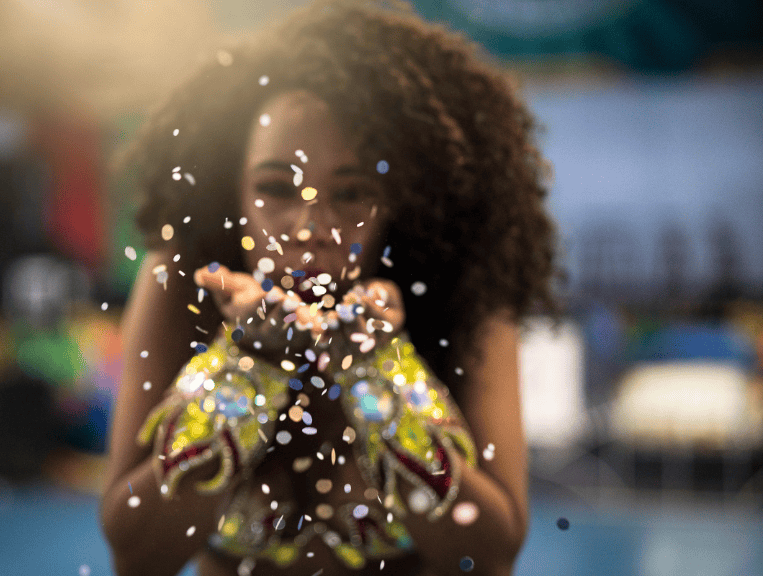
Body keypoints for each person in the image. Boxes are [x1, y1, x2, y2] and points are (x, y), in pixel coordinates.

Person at [100, 1, 559, 575]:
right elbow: (136, 555)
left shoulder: (466, 291)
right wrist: (249, 365)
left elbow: (487, 557)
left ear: (404, 202)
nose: (310, 228)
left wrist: (378, 373)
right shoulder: (180, 283)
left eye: (350, 193)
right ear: (230, 195)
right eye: (276, 189)